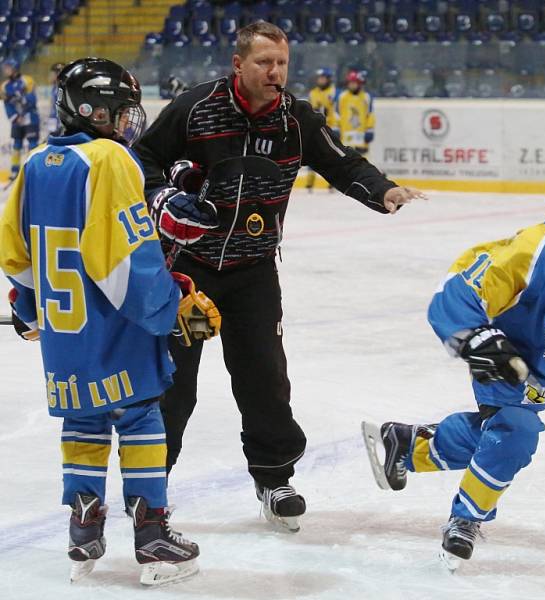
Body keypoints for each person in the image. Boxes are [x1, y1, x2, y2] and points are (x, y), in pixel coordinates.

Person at [133, 20, 423, 533]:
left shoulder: (296, 118)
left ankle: (274, 477)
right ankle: (151, 489)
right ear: (238, 64)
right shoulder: (196, 109)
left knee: (264, 376)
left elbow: (341, 163)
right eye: (265, 62)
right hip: (189, 277)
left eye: (282, 63)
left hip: (252, 277)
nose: (275, 72)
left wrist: (382, 191)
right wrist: (163, 199)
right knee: (175, 383)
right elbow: (143, 159)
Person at [0, 57, 221, 586]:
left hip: (63, 334)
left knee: (84, 423)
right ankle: (152, 535)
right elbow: (124, 257)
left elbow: (17, 252)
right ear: (91, 111)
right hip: (113, 325)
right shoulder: (110, 160)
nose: (128, 122)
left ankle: (84, 527)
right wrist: (168, 307)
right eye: (120, 112)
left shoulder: (33, 164)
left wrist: (29, 308)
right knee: (141, 417)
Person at [363, 164, 545, 569]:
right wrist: (476, 337)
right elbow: (457, 291)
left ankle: (407, 446)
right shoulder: (533, 251)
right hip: (501, 342)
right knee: (516, 432)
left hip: (541, 351)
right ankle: (465, 519)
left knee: (499, 434)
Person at [1, 58, 39, 183]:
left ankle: (34, 170)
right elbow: (7, 104)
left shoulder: (27, 80)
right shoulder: (5, 86)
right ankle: (14, 170)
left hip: (30, 117)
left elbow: (32, 99)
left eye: (7, 67)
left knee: (32, 144)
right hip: (17, 120)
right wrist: (16, 117)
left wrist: (23, 107)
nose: (5, 70)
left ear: (14, 67)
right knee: (16, 145)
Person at [305, 66, 338, 192]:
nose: (320, 80)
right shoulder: (313, 93)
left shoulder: (334, 92)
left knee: (332, 156)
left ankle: (333, 183)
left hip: (331, 128)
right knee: (313, 155)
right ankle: (309, 184)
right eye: (319, 78)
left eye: (323, 78)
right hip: (316, 129)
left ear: (329, 79)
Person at [335, 69, 374, 156]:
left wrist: (370, 130)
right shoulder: (342, 97)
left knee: (363, 162)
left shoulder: (366, 97)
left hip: (361, 136)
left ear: (359, 83)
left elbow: (370, 115)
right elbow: (337, 114)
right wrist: (336, 129)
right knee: (346, 162)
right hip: (345, 136)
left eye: (354, 83)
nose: (352, 85)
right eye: (350, 83)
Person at [47, 62, 64, 135]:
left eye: (52, 73)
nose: (50, 76)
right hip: (53, 120)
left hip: (59, 121)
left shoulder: (62, 88)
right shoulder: (54, 87)